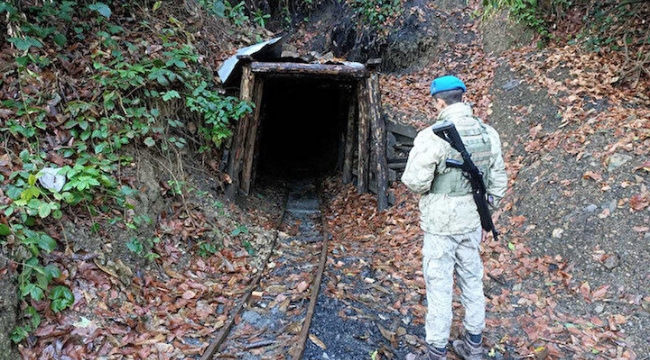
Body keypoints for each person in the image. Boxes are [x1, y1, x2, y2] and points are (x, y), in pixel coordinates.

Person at [402, 75, 508, 360]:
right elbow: (497, 181)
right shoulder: (488, 133)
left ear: (439, 101)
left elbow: (415, 181)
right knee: (472, 280)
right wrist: (487, 213)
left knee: (439, 285)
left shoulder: (432, 135)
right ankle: (473, 346)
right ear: (462, 96)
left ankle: (436, 351)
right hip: (473, 220)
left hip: (440, 224)